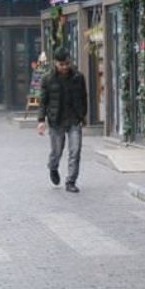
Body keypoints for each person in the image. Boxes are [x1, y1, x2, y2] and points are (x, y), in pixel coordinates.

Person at [36, 48, 87, 192]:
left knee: (75, 151)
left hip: (73, 120)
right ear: (55, 63)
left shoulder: (78, 77)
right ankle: (53, 167)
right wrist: (41, 120)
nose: (65, 67)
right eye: (61, 64)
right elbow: (43, 102)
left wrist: (82, 115)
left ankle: (71, 181)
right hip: (55, 120)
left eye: (67, 64)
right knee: (57, 152)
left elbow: (84, 97)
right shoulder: (47, 79)